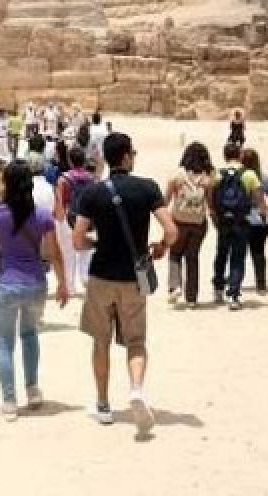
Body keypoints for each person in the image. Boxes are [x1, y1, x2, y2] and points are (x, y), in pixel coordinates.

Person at [73, 132, 177, 432]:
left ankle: (103, 405)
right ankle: (135, 390)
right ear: (128, 156)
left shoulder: (91, 193)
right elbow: (170, 230)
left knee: (100, 341)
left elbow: (78, 241)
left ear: (105, 157)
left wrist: (97, 242)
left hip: (101, 275)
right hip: (134, 276)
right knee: (135, 341)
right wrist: (160, 248)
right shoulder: (146, 188)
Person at [0, 160, 70, 421]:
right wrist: (63, 284)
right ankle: (32, 390)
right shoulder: (43, 216)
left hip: (6, 283)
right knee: (30, 337)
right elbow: (54, 253)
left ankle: (9, 401)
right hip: (35, 283)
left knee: (4, 343)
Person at [208, 143, 264, 310]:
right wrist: (261, 212)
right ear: (239, 155)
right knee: (238, 258)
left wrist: (213, 213)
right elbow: (258, 197)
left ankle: (218, 287)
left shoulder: (217, 173)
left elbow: (210, 195)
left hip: (223, 220)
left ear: (225, 156)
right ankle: (233, 295)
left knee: (221, 254)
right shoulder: (249, 174)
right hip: (241, 220)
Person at [163, 142, 214, 307]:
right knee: (192, 258)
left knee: (175, 254)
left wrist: (165, 221)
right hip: (198, 223)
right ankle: (191, 298)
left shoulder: (177, 175)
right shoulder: (207, 179)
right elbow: (210, 203)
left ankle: (174, 286)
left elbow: (165, 200)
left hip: (179, 221)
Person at [241, 147, 268, 293]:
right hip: (262, 220)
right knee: (258, 252)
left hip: (245, 218)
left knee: (239, 251)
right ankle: (261, 284)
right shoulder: (264, 177)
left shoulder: (240, 177)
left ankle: (235, 281)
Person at [54, 145, 95, 295]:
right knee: (86, 250)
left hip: (69, 216)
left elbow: (60, 202)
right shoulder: (92, 178)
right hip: (88, 218)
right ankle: (85, 278)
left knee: (68, 253)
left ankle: (70, 286)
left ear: (70, 161)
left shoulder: (64, 179)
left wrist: (58, 219)